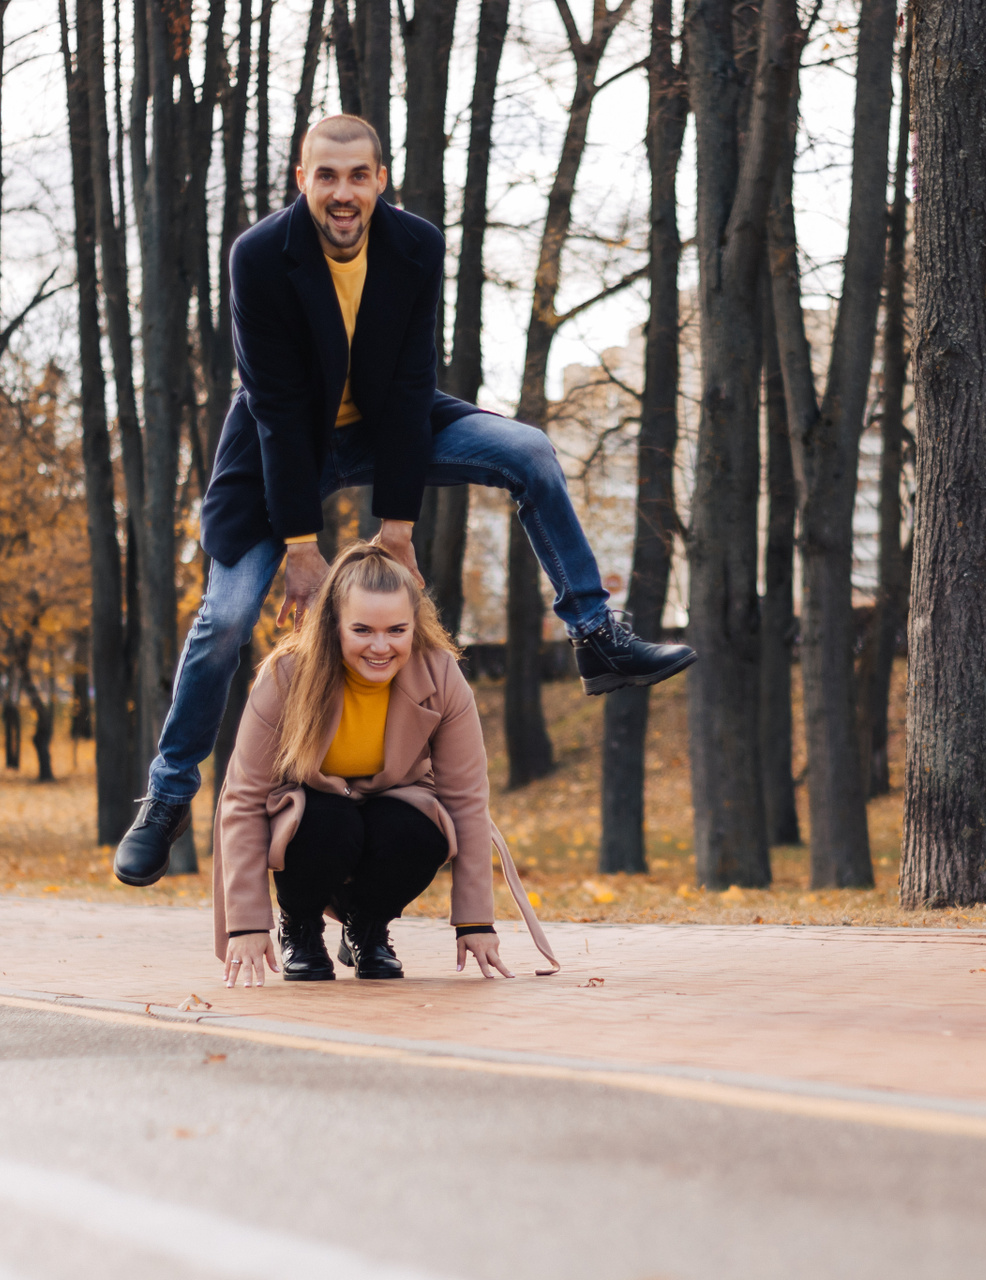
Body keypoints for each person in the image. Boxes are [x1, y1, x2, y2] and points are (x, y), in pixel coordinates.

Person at [115, 113, 693, 886]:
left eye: (358, 176)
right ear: (303, 181)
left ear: (380, 181)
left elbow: (413, 383)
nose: (343, 192)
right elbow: (277, 409)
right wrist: (298, 545)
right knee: (223, 620)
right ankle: (165, 795)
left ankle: (595, 635)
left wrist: (397, 524)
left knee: (528, 451)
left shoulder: (415, 244)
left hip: (389, 424)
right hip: (280, 448)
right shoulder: (258, 256)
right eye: (327, 176)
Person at [215, 543, 557, 987]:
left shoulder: (441, 674)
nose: (381, 647)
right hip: (311, 824)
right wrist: (246, 924)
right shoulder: (287, 675)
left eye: (397, 630)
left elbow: (466, 799)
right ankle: (300, 927)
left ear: (415, 624)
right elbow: (243, 799)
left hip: (391, 810)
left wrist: (475, 921)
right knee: (331, 820)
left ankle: (368, 927)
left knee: (420, 830)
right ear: (334, 624)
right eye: (362, 630)